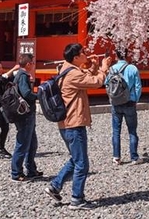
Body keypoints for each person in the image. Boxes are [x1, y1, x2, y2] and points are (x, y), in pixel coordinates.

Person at [45, 43, 111, 210]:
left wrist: (94, 67)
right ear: (75, 57)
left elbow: (84, 79)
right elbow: (96, 82)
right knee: (82, 163)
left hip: (66, 124)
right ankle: (77, 199)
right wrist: (104, 68)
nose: (86, 54)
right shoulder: (73, 73)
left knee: (75, 159)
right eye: (83, 53)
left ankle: (55, 186)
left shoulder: (66, 69)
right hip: (74, 123)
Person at [105, 49, 143, 164]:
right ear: (127, 55)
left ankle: (116, 157)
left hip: (116, 103)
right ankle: (134, 157)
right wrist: (135, 99)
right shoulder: (132, 68)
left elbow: (106, 84)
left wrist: (112, 97)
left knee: (116, 131)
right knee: (132, 131)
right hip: (129, 102)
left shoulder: (112, 69)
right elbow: (138, 87)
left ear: (116, 56)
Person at [11, 53, 41, 181]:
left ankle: (31, 169)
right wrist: (38, 95)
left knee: (32, 143)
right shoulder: (23, 76)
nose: (33, 65)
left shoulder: (19, 75)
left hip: (26, 113)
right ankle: (16, 172)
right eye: (32, 63)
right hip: (25, 114)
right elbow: (26, 93)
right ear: (28, 64)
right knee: (23, 143)